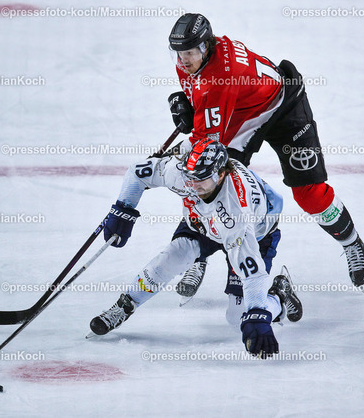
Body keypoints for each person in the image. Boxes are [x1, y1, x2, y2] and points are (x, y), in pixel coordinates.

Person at [166, 13, 364, 296]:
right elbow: (202, 97)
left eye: (189, 52)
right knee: (207, 177)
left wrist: (172, 153)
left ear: (206, 46)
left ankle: (351, 242)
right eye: (179, 53)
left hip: (284, 108)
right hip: (243, 116)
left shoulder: (221, 77)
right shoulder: (192, 62)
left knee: (309, 193)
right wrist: (187, 106)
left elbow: (205, 140)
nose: (183, 60)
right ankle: (197, 254)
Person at [89, 139, 303, 358]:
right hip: (202, 222)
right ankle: (126, 304)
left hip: (256, 234)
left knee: (237, 317)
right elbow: (138, 172)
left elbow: (252, 272)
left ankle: (279, 296)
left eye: (200, 179)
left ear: (221, 175)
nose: (192, 185)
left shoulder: (236, 212)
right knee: (169, 260)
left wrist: (258, 314)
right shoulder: (181, 173)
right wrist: (123, 210)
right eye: (190, 178)